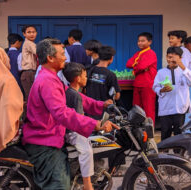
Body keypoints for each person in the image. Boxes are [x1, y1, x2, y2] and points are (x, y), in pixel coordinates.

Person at [22, 38, 118, 190]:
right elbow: (62, 113)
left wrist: (102, 105)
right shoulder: (48, 81)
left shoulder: (52, 78)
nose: (65, 57)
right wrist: (96, 124)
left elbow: (76, 96)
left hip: (52, 136)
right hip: (45, 141)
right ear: (50, 58)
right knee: (60, 186)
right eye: (62, 54)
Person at [63, 62, 112, 190]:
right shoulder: (74, 95)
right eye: (85, 76)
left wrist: (103, 104)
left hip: (71, 129)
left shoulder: (72, 92)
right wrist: (98, 125)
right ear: (78, 79)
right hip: (71, 131)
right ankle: (87, 184)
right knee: (87, 150)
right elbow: (79, 120)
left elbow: (89, 103)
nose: (87, 78)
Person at [153, 47, 191, 140]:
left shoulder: (185, 71)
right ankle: (163, 153)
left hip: (180, 107)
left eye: (174, 58)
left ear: (180, 58)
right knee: (165, 132)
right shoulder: (161, 72)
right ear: (166, 57)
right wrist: (162, 90)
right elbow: (155, 87)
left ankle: (178, 153)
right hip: (165, 107)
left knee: (178, 132)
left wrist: (182, 65)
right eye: (169, 57)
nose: (171, 60)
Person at [126, 32, 157, 123]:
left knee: (148, 109)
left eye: (143, 41)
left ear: (149, 42)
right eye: (139, 41)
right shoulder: (138, 53)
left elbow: (141, 66)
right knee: (136, 108)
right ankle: (137, 130)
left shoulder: (151, 53)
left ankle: (150, 130)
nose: (140, 43)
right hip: (137, 84)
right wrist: (139, 66)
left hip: (148, 84)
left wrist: (136, 67)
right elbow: (128, 64)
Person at [86, 45, 121, 119]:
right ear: (111, 58)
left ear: (98, 56)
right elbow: (117, 96)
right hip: (104, 112)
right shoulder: (111, 75)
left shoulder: (89, 71)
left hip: (89, 110)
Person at [21, 25, 37, 102]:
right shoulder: (29, 43)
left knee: (31, 97)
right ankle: (29, 114)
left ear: (36, 33)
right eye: (29, 32)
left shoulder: (31, 43)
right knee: (31, 98)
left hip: (30, 73)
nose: (31, 34)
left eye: (33, 32)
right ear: (24, 34)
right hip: (29, 73)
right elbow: (39, 52)